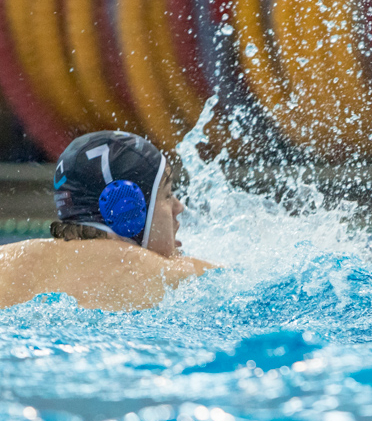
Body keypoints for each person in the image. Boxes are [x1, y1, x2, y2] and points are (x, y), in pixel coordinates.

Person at [0, 131, 215, 311]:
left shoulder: (7, 260)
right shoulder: (165, 275)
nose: (179, 207)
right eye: (167, 195)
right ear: (126, 211)